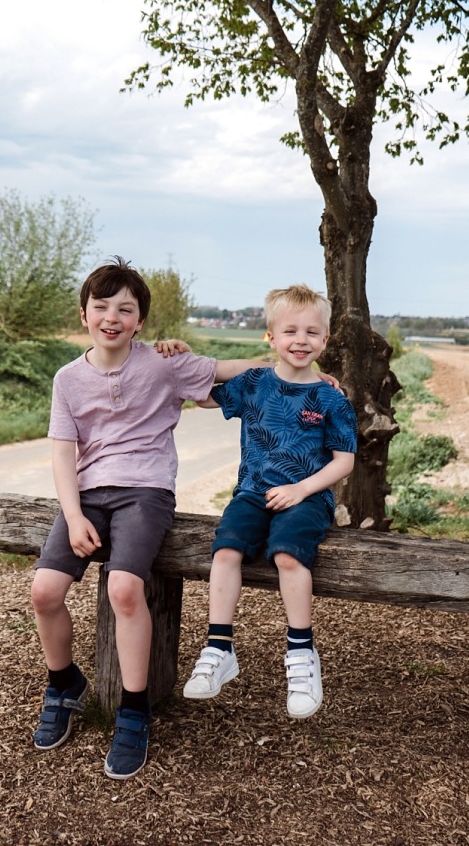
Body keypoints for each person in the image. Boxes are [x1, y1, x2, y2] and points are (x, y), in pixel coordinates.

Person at [28, 257, 275, 780]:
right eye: (102, 307)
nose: (111, 317)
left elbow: (229, 373)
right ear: (84, 314)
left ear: (140, 321)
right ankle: (63, 683)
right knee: (44, 592)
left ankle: (133, 711)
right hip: (88, 495)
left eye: (125, 308)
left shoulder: (162, 364)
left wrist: (300, 366)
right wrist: (72, 517)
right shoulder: (68, 379)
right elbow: (61, 454)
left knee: (124, 589)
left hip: (146, 491)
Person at [181, 283, 356, 720]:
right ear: (271, 338)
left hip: (307, 497)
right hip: (253, 493)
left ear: (325, 340)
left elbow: (345, 461)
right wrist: (179, 356)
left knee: (287, 558)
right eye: (290, 331)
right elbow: (201, 395)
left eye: (312, 333)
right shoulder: (255, 383)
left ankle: (302, 657)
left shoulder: (331, 398)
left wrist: (302, 489)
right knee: (225, 550)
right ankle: (219, 648)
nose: (301, 340)